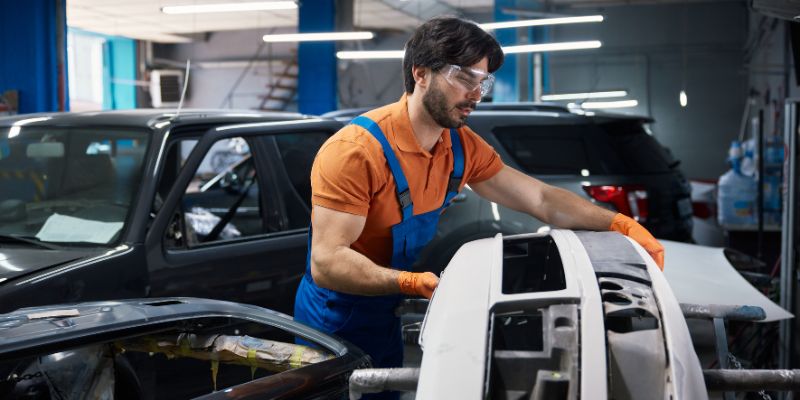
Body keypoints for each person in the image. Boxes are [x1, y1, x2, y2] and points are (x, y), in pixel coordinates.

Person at [294, 16, 664, 397]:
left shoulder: (459, 147)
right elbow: (328, 262)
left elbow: (540, 198)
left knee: (385, 392)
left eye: (483, 81)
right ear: (421, 73)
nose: (477, 93)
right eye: (464, 78)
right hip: (332, 323)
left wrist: (620, 224)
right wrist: (407, 282)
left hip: (384, 311)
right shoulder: (355, 152)